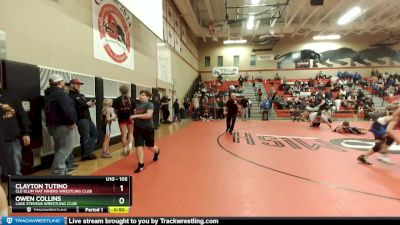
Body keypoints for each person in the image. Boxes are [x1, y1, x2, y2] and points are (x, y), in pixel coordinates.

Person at [44, 74, 77, 175]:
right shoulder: (61, 94)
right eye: (63, 82)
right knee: (66, 148)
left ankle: (62, 169)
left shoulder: (48, 94)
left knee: (58, 148)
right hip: (63, 126)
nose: (64, 84)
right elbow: (67, 109)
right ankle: (58, 171)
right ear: (60, 83)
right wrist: (71, 122)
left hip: (53, 126)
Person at [0, 84, 31, 176]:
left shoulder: (11, 97)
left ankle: (16, 186)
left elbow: (22, 116)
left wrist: (26, 132)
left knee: (14, 167)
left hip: (11, 136)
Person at [129, 90, 160, 173]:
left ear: (148, 97)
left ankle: (157, 152)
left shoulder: (150, 104)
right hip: (138, 129)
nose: (141, 96)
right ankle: (141, 165)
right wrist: (133, 119)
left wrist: (136, 116)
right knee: (139, 147)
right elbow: (134, 114)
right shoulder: (137, 104)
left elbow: (148, 115)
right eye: (140, 94)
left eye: (143, 95)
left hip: (148, 128)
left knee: (150, 146)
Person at [68, 78, 98, 161]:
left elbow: (85, 104)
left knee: (95, 134)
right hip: (81, 119)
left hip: (87, 118)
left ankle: (87, 152)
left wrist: (91, 103)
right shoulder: (70, 96)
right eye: (77, 84)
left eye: (79, 84)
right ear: (72, 85)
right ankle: (86, 154)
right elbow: (74, 108)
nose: (78, 86)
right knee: (85, 136)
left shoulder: (82, 95)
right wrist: (86, 105)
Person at [113, 85, 134, 156]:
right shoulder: (131, 99)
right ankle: (130, 147)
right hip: (130, 118)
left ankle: (125, 150)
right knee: (130, 133)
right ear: (128, 91)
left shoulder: (116, 100)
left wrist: (119, 113)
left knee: (124, 135)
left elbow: (115, 111)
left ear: (120, 91)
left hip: (121, 119)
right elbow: (134, 111)